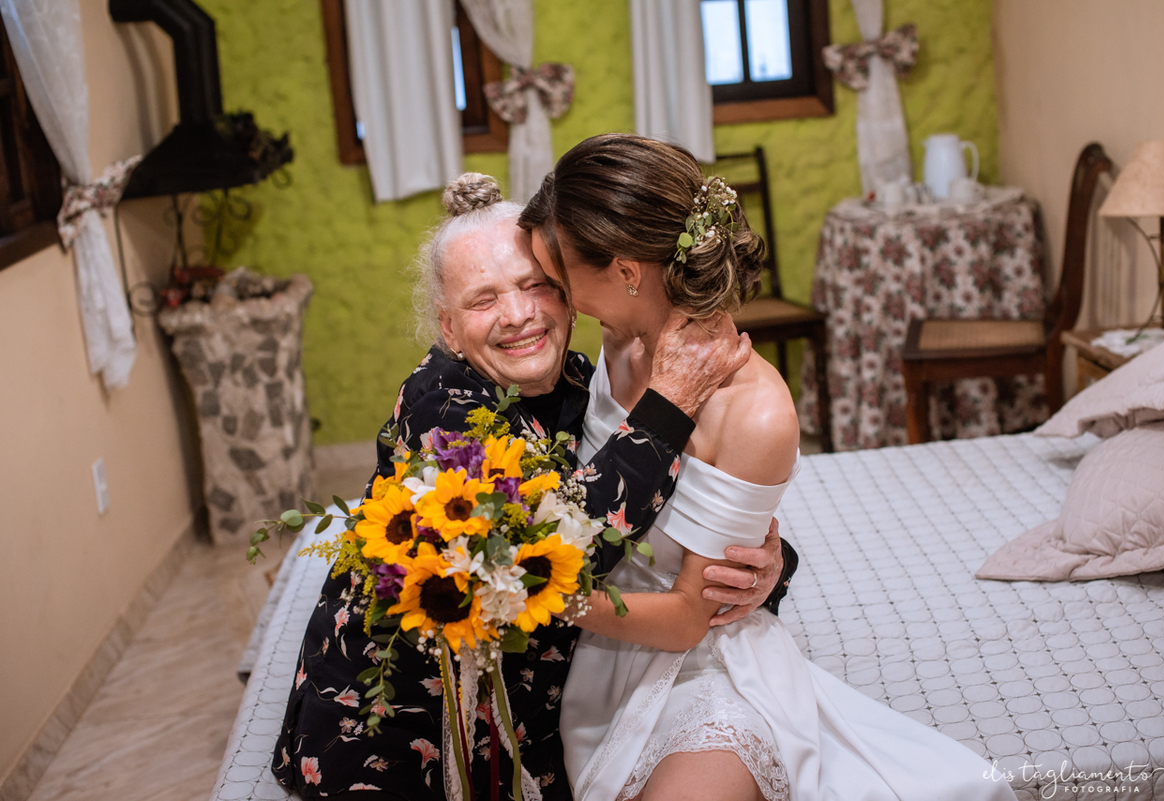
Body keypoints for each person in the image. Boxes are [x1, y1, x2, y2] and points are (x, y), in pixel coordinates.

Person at [521, 134, 1017, 801]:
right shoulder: (616, 337)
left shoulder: (756, 413)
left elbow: (691, 616)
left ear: (626, 270)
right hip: (593, 661)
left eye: (556, 280)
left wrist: (542, 595)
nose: (545, 300)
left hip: (696, 668)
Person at [272, 173, 798, 800]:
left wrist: (764, 563)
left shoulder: (579, 380)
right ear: (447, 327)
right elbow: (567, 552)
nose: (518, 315)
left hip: (529, 702)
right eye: (483, 300)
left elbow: (671, 513)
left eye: (536, 287)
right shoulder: (440, 405)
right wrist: (670, 404)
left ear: (570, 294)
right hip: (401, 705)